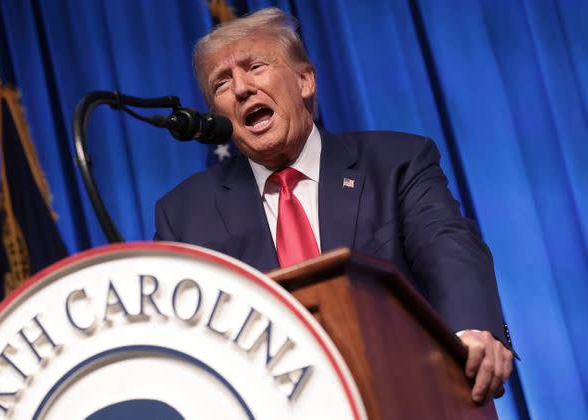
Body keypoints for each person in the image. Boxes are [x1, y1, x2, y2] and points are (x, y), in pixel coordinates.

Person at [154, 7, 513, 404]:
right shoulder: (184, 215)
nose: (241, 88)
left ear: (305, 80)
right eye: (221, 83)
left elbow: (447, 244)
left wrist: (473, 330)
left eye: (255, 66)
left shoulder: (395, 162)